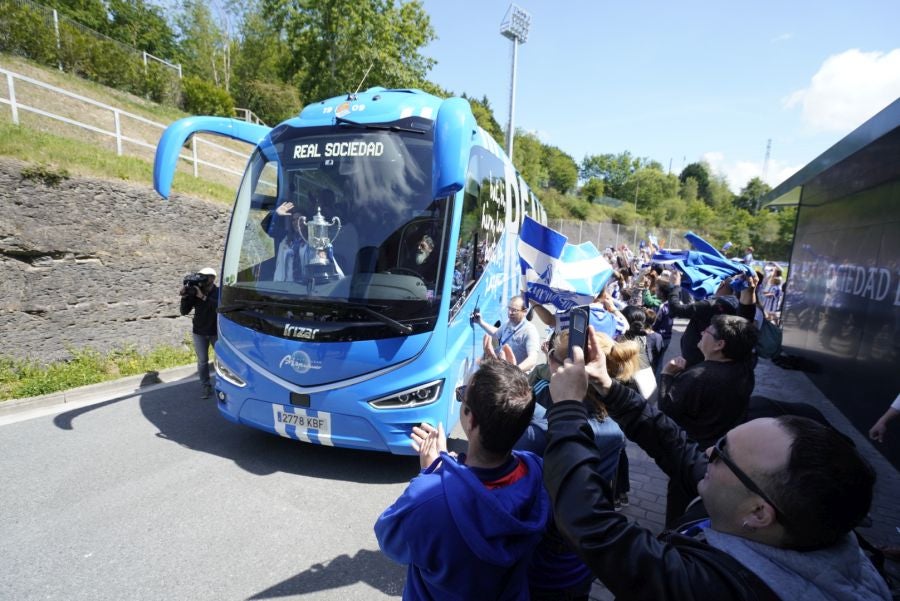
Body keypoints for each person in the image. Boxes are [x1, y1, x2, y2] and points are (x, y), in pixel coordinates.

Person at [542, 330, 889, 601]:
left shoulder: (716, 589)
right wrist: (609, 388)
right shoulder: (773, 511)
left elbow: (591, 526)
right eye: (721, 443)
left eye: (723, 454)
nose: (708, 453)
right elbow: (676, 446)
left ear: (759, 513)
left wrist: (569, 407)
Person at [374, 359, 550, 600]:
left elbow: (390, 541)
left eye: (463, 395)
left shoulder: (430, 498)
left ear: (471, 420)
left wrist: (432, 474)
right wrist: (450, 470)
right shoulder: (538, 473)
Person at [659, 314, 758, 523]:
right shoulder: (744, 369)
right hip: (722, 455)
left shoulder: (698, 376)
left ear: (719, 344)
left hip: (693, 456)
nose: (702, 333)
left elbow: (666, 410)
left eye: (708, 331)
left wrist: (667, 375)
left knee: (679, 511)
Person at [473, 295, 541, 373]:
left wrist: (514, 371)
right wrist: (480, 322)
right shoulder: (509, 323)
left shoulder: (530, 331)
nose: (510, 313)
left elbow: (532, 359)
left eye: (514, 310)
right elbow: (496, 333)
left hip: (516, 375)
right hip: (504, 368)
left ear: (525, 311)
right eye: (509, 308)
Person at [179, 267, 219, 399]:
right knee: (202, 361)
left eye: (204, 277)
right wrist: (185, 297)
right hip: (199, 332)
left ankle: (223, 384)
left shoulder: (218, 292)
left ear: (212, 278)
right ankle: (206, 387)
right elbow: (184, 311)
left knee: (221, 360)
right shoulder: (195, 291)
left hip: (215, 331)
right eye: (200, 276)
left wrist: (203, 297)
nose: (201, 279)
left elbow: (219, 307)